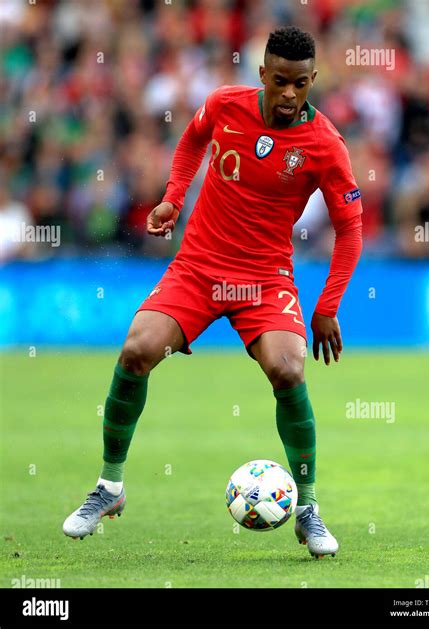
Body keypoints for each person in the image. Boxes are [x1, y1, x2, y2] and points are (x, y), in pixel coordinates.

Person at [63, 26, 363, 558]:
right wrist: (173, 199)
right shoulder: (225, 105)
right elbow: (194, 139)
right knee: (136, 351)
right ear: (262, 76)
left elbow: (351, 228)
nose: (290, 94)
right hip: (199, 267)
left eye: (300, 84)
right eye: (279, 82)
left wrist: (328, 305)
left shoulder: (326, 146)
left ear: (313, 79)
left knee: (289, 370)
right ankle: (109, 487)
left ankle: (309, 508)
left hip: (266, 279)